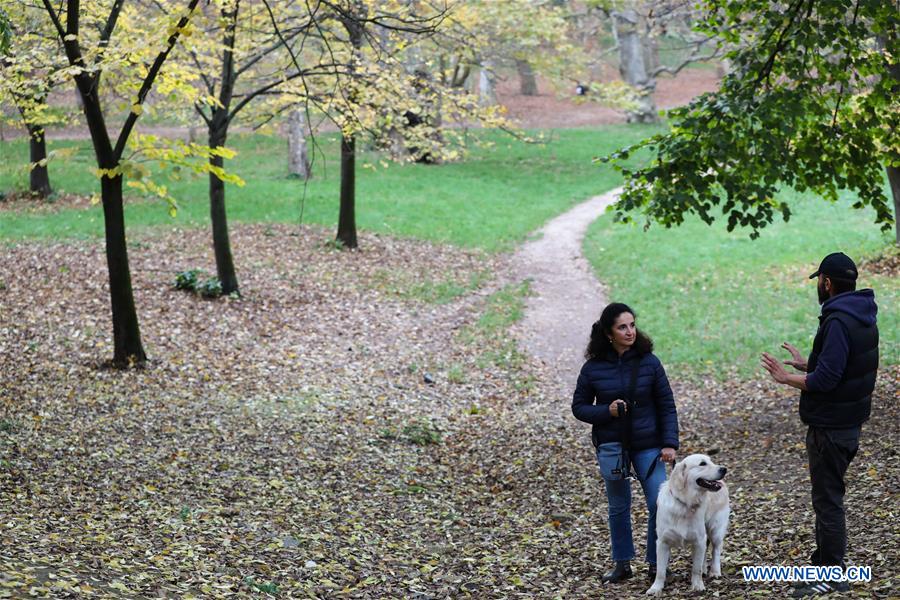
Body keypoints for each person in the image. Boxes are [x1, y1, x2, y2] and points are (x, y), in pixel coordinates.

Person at [761, 252, 879, 597]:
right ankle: (822, 566)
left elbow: (827, 380)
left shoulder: (838, 321)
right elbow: (845, 366)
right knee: (828, 498)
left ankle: (832, 574)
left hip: (832, 428)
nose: (819, 286)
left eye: (820, 281)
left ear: (827, 282)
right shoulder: (860, 315)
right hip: (847, 423)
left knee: (828, 502)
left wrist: (787, 378)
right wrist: (807, 363)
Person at [572, 302, 679, 584]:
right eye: (622, 327)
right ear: (609, 333)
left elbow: (667, 404)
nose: (630, 331)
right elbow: (579, 407)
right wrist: (606, 411)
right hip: (612, 445)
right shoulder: (593, 368)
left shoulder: (649, 362)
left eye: (632, 325)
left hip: (649, 445)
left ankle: (658, 564)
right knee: (618, 506)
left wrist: (669, 443)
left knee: (659, 503)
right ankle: (622, 563)